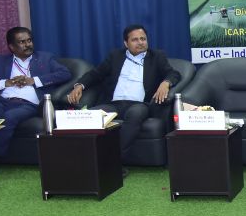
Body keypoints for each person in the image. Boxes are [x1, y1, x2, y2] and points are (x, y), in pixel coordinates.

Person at [66, 24, 182, 160]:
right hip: (113, 104)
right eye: (135, 40)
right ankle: (81, 159)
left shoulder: (156, 56)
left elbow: (173, 73)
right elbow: (95, 74)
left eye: (143, 39)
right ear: (126, 43)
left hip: (139, 105)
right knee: (89, 116)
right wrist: (79, 86)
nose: (140, 42)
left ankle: (112, 160)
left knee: (134, 115)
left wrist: (166, 83)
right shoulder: (115, 56)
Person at [0, 27, 70, 164]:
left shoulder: (45, 58)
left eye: (29, 40)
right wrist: (6, 83)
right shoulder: (0, 61)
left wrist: (34, 80)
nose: (28, 45)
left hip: (27, 105)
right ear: (11, 47)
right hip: (0, 102)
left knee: (8, 118)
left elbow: (65, 73)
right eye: (22, 42)